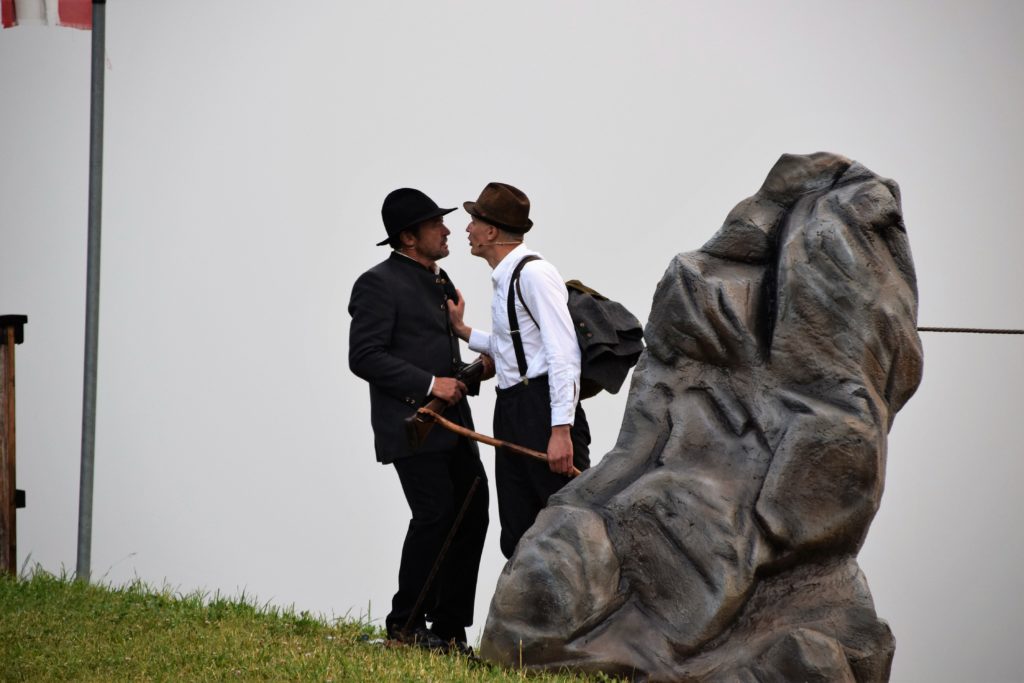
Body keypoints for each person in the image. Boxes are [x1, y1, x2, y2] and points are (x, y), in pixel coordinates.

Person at [348, 187, 489, 653]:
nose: (448, 229)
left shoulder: (439, 279)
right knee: (435, 516)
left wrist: (465, 347)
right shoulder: (377, 282)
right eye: (435, 224)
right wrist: (431, 384)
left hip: (453, 422)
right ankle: (405, 628)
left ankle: (448, 631)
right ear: (408, 237)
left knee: (472, 513)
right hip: (414, 424)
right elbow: (364, 356)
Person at [447, 182, 590, 559]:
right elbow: (516, 347)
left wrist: (561, 429)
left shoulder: (533, 274)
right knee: (517, 529)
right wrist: (464, 332)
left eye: (473, 221)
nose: (467, 230)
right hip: (513, 407)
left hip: (540, 410)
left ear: (491, 231)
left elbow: (563, 353)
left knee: (562, 526)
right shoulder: (506, 277)